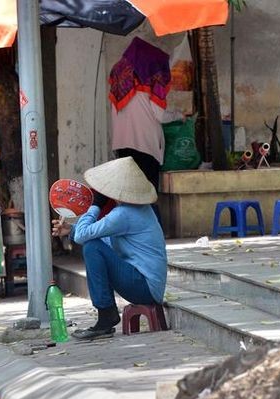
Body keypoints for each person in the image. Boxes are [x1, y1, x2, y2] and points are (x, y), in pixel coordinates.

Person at [51, 157, 167, 341]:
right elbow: (102, 238)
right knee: (94, 244)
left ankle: (106, 315)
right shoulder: (140, 209)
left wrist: (95, 205)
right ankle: (106, 313)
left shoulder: (123, 214)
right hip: (147, 284)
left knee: (91, 247)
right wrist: (71, 230)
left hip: (144, 286)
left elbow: (86, 238)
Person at [109, 37, 182, 223]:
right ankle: (152, 234)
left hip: (122, 144)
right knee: (147, 194)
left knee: (128, 194)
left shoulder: (120, 78)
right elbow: (159, 115)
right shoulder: (152, 78)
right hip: (145, 145)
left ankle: (130, 233)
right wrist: (179, 116)